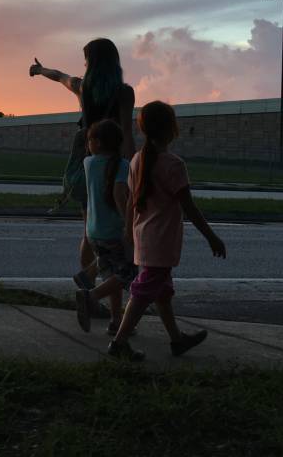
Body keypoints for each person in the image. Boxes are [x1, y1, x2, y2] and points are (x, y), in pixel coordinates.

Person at [107, 100, 227, 362]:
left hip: (144, 237)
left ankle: (177, 340)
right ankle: (119, 343)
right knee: (142, 293)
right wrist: (212, 237)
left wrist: (129, 230)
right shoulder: (173, 165)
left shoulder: (137, 159)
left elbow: (130, 201)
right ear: (171, 128)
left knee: (161, 292)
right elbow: (190, 208)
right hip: (160, 241)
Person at [30, 38, 136, 287]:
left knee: (90, 229)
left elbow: (59, 76)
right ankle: (108, 289)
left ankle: (89, 286)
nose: (84, 63)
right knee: (121, 228)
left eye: (86, 59)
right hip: (114, 166)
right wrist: (134, 169)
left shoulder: (81, 87)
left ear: (93, 62)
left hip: (88, 163)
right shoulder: (124, 93)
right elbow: (128, 136)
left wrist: (38, 70)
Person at [73, 119, 138, 337]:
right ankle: (90, 296)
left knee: (112, 275)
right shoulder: (122, 165)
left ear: (98, 143)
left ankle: (115, 319)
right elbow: (120, 196)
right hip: (113, 231)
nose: (87, 145)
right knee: (128, 272)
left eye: (89, 140)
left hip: (93, 232)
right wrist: (129, 226)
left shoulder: (88, 163)